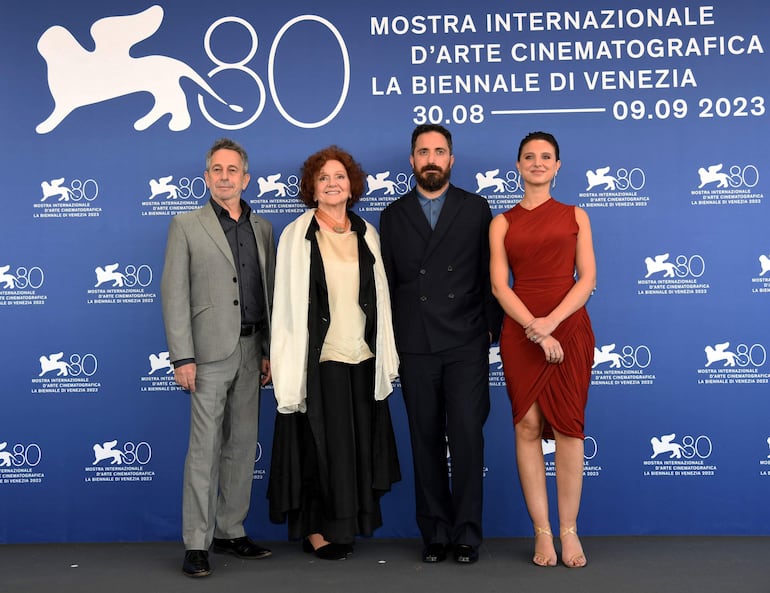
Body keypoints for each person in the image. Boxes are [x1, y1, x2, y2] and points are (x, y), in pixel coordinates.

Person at [267, 146, 401, 560]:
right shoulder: (297, 235)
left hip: (362, 355)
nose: (332, 184)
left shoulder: (367, 233)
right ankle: (317, 530)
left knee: (356, 447)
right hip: (318, 360)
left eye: (339, 176)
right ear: (311, 187)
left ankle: (351, 523)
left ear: (352, 185)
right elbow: (287, 304)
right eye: (323, 178)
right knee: (321, 447)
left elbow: (380, 298)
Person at [379, 124, 503, 565]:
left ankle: (467, 533)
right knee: (424, 439)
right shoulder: (392, 216)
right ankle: (434, 532)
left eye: (440, 151)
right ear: (411, 160)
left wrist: (491, 330)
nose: (431, 158)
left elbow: (492, 275)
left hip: (466, 341)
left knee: (468, 438)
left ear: (452, 159)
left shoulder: (477, 208)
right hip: (415, 343)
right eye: (423, 151)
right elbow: (388, 285)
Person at [160, 138, 276, 578]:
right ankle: (197, 542)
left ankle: (231, 530)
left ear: (245, 179)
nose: (225, 176)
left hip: (251, 350)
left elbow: (266, 294)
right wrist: (182, 356)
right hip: (206, 356)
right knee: (204, 449)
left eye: (233, 170)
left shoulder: (262, 228)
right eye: (217, 169)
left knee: (243, 446)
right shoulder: (185, 225)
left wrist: (267, 351)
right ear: (206, 177)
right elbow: (173, 295)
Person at [489, 131, 596, 569]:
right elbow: (499, 285)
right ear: (518, 166)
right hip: (520, 329)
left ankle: (570, 531)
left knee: (569, 429)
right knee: (527, 426)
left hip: (568, 326)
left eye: (545, 157)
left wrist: (551, 323)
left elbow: (586, 279)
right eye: (529, 157)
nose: (537, 163)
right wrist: (535, 328)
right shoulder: (502, 222)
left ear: (557, 167)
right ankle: (543, 532)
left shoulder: (576, 215)